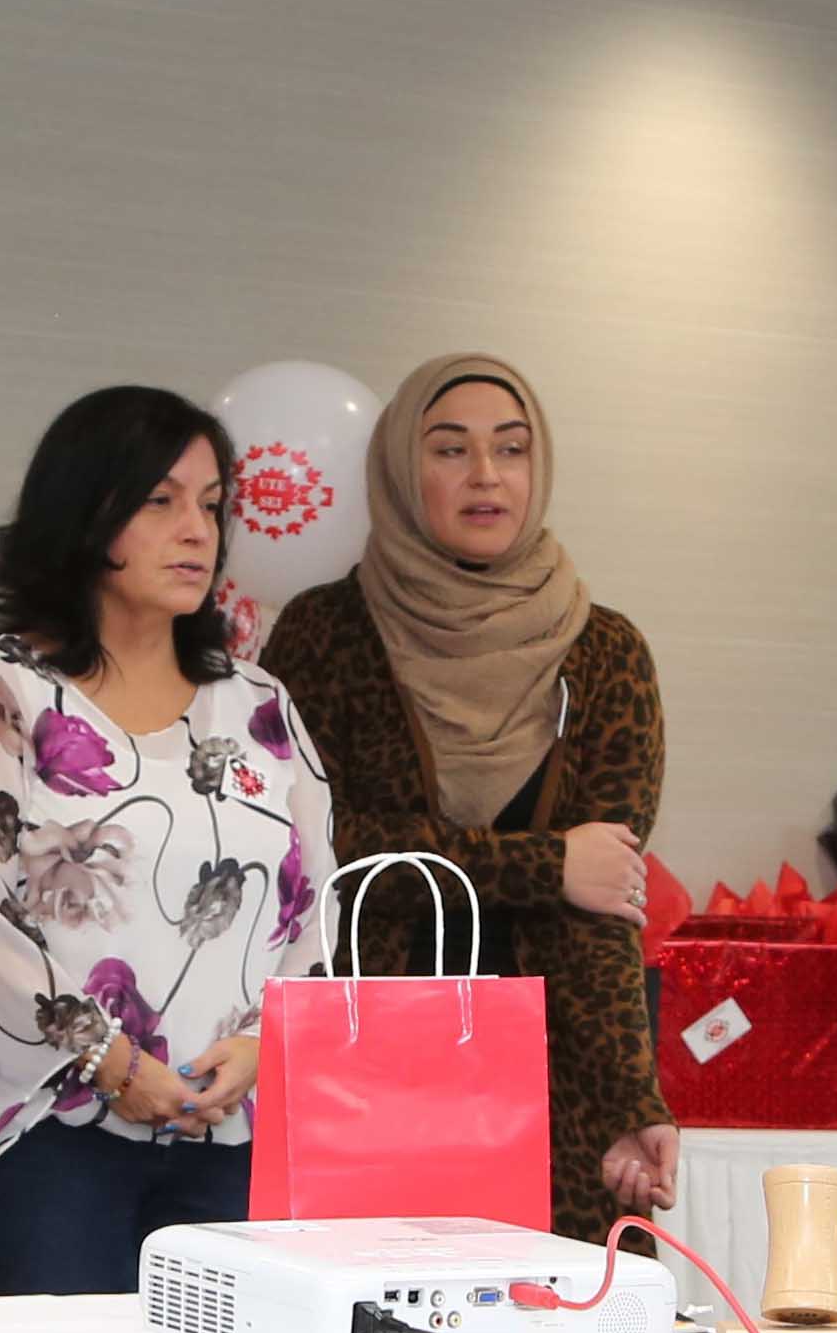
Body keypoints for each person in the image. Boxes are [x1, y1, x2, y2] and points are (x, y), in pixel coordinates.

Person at [0, 385, 330, 1289]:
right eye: (160, 501)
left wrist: (265, 1047)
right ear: (85, 511)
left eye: (213, 506)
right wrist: (107, 1058)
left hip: (235, 1138)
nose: (197, 530)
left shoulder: (260, 706)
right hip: (44, 1142)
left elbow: (316, 908)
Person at [256, 355, 673, 1244]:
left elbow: (604, 910)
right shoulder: (322, 636)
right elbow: (326, 854)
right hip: (365, 1062)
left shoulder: (606, 655)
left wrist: (631, 1098)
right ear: (405, 475)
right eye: (451, 450)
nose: (487, 475)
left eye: (512, 449)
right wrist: (549, 863)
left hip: (555, 1079)